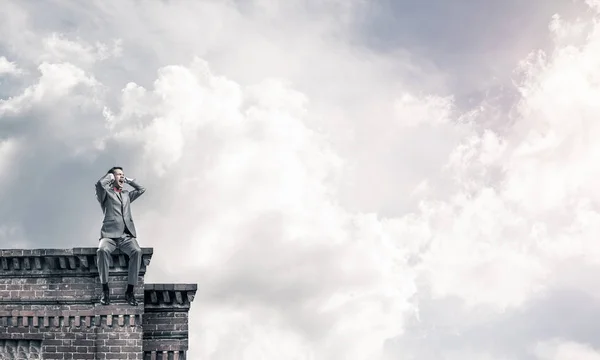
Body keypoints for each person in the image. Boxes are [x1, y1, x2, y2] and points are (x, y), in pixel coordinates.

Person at [94, 166, 146, 306]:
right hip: (109, 235)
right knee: (102, 251)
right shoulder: (105, 194)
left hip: (126, 236)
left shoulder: (126, 194)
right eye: (119, 175)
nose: (121, 177)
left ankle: (130, 291)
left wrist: (128, 180)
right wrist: (110, 176)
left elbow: (141, 189)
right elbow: (99, 184)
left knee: (137, 251)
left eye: (123, 174)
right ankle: (105, 289)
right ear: (112, 178)